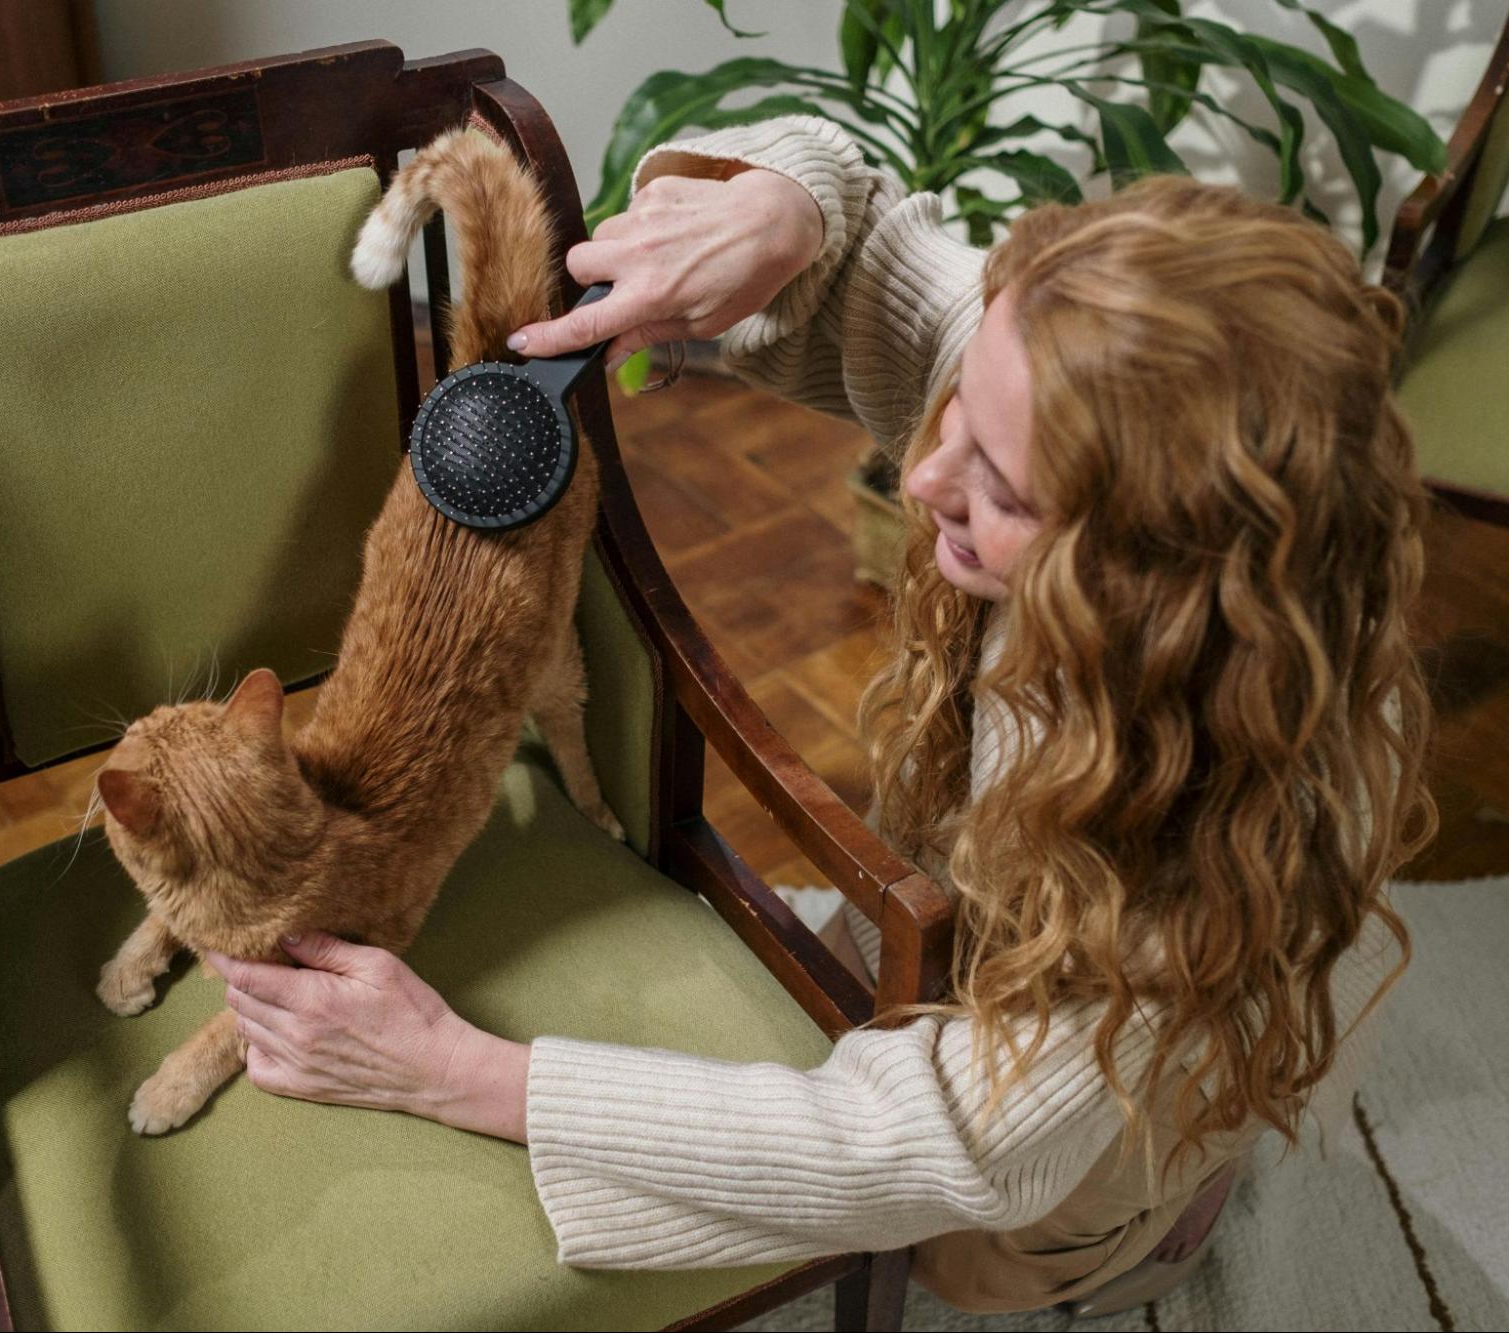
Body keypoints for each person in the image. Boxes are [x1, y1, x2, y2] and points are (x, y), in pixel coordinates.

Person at [206, 116, 1434, 1314]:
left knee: (974, 1255)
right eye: (958, 410)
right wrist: (785, 203)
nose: (922, 474)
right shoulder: (1054, 376)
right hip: (988, 912)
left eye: (998, 486)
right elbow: (875, 251)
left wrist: (455, 1071)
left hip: (1065, 1116)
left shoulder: (1187, 884)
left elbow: (934, 1140)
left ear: (1150, 578)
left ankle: (1144, 1232)